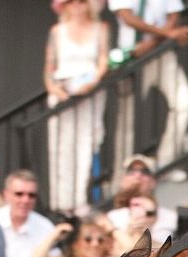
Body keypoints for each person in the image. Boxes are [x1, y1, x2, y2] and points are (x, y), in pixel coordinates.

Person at [109, 0, 188, 182]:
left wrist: (154, 41)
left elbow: (173, 14)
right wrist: (167, 34)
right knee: (127, 120)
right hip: (132, 58)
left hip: (160, 52)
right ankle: (121, 176)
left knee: (184, 102)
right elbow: (127, 17)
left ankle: (165, 163)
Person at [44, 0, 110, 213]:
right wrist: (56, 90)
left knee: (85, 143)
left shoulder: (101, 29)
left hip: (89, 92)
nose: (77, 5)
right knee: (61, 146)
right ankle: (60, 202)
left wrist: (92, 83)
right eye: (70, 1)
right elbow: (49, 67)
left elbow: (103, 61)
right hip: (64, 92)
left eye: (81, 1)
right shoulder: (57, 31)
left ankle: (79, 200)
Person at [104, 155, 178, 243]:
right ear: (122, 180)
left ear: (153, 182)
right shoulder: (112, 218)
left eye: (145, 172)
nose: (138, 176)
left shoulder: (171, 217)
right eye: (131, 171)